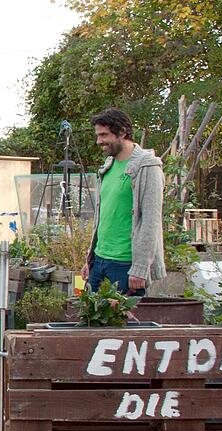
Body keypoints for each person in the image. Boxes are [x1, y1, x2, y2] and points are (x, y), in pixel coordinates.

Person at [80, 108, 166, 296]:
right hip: (99, 260)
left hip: (126, 264)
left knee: (125, 316)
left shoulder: (147, 167)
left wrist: (140, 268)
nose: (99, 141)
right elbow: (104, 217)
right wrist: (90, 259)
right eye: (98, 135)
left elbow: (151, 220)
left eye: (104, 135)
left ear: (122, 132)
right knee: (89, 314)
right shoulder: (108, 166)